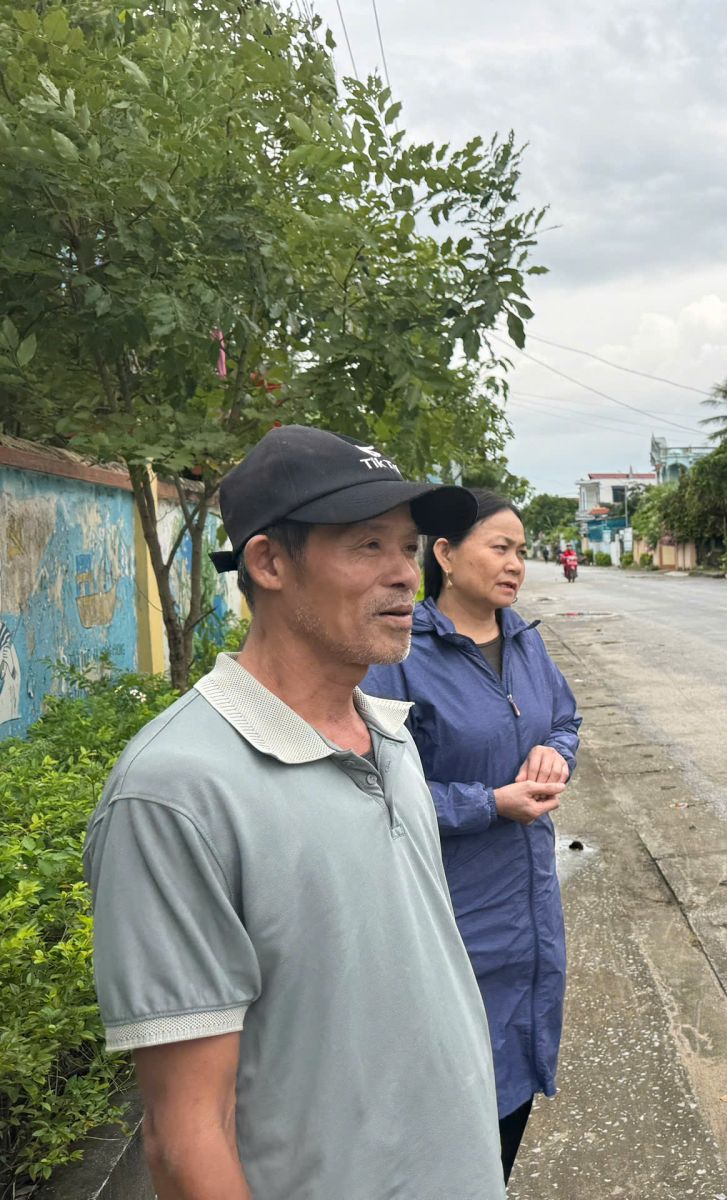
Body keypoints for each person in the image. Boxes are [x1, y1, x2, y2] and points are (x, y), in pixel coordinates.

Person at [82, 426, 505, 1199]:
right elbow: (185, 1137)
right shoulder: (176, 792)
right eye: (368, 545)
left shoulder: (391, 738)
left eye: (409, 548)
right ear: (269, 563)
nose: (404, 576)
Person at [363, 490, 579, 1182]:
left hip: (529, 909)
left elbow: (565, 719)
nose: (517, 563)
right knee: (451, 1107)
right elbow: (371, 789)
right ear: (447, 556)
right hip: (452, 913)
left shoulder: (524, 640)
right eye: (501, 547)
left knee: (511, 1089)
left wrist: (556, 754)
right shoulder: (401, 655)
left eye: (522, 550)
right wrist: (489, 803)